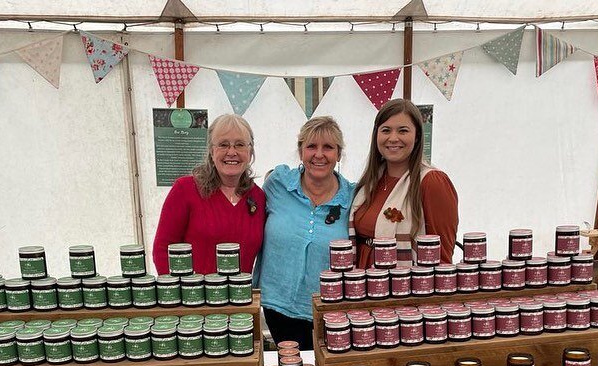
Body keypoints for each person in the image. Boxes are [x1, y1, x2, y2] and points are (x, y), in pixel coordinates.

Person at [257, 116, 354, 350]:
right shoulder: (278, 184)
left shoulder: (353, 197)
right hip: (277, 304)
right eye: (311, 146)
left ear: (338, 154)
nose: (319, 154)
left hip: (330, 309)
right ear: (301, 151)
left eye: (328, 147)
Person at [152, 114, 266, 275]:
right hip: (194, 297)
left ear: (250, 151)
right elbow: (162, 250)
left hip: (242, 298)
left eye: (239, 145)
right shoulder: (185, 190)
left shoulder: (258, 198)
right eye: (223, 145)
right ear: (211, 151)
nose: (231, 152)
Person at [350, 99, 458, 267]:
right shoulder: (370, 182)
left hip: (404, 287)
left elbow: (441, 258)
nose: (393, 138)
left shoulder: (432, 182)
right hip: (364, 283)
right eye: (386, 130)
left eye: (403, 131)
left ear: (417, 137)